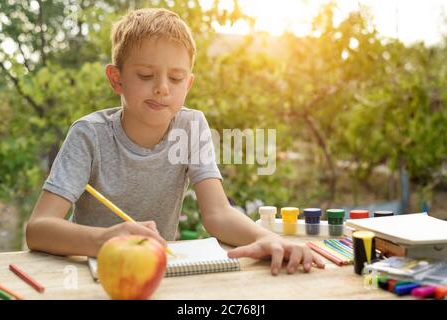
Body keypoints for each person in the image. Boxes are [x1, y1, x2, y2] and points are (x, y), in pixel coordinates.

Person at [26, 8, 325, 276]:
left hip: (159, 276)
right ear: (116, 79)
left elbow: (218, 214)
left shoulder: (191, 126)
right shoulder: (88, 135)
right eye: (145, 75)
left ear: (189, 84)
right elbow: (37, 229)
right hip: (95, 277)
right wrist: (103, 240)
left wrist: (266, 238)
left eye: (177, 78)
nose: (162, 89)